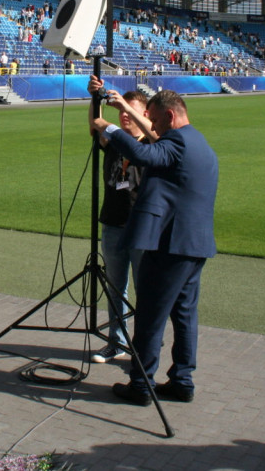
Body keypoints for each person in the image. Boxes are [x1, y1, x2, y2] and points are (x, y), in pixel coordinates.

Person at [90, 89, 218, 406]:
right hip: (195, 244)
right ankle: (182, 381)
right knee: (185, 315)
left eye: (156, 121)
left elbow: (146, 155)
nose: (154, 128)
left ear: (170, 116)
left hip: (171, 245)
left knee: (150, 315)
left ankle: (141, 385)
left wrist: (110, 128)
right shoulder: (199, 142)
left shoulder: (176, 142)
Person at [87, 77, 154, 364]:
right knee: (115, 288)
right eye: (121, 112)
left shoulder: (152, 143)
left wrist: (126, 104)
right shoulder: (114, 139)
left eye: (130, 111)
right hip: (113, 224)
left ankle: (144, 347)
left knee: (145, 291)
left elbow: (154, 133)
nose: (124, 115)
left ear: (144, 113)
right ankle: (116, 342)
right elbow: (96, 126)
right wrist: (94, 99)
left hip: (142, 229)